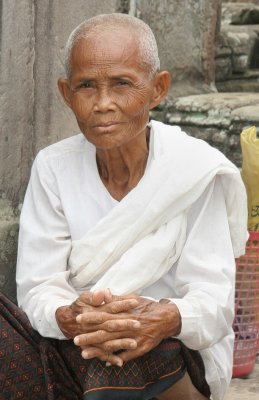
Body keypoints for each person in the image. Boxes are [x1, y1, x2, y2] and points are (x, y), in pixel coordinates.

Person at [0, 13, 248, 400]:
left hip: (168, 351)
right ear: (66, 94)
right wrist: (72, 317)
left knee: (126, 355)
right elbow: (38, 289)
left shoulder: (194, 169)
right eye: (86, 86)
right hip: (77, 341)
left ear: (158, 88)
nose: (102, 104)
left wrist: (161, 318)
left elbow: (211, 303)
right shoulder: (53, 166)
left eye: (122, 84)